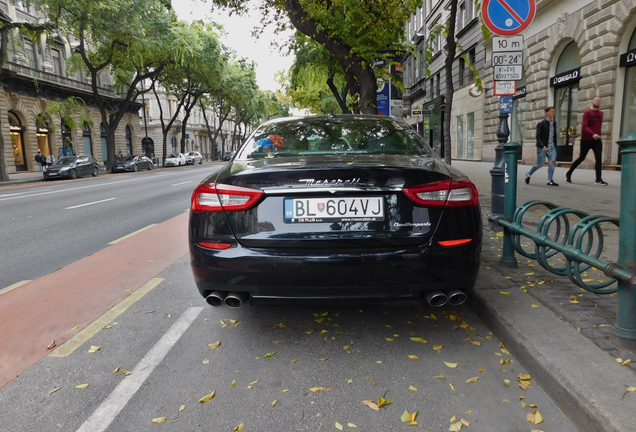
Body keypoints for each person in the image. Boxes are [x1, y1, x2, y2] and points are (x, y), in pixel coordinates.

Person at [566, 96, 608, 186]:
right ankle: (568, 173)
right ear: (592, 102)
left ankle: (598, 179)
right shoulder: (587, 113)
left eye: (599, 101)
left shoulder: (601, 113)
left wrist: (597, 135)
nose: (598, 102)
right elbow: (584, 126)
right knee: (582, 157)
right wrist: (593, 133)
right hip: (586, 139)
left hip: (597, 140)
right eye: (596, 100)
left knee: (599, 158)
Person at [526, 106, 558, 186]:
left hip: (551, 147)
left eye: (554, 111)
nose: (553, 113)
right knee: (540, 164)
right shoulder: (541, 124)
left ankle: (550, 180)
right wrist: (543, 145)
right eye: (551, 111)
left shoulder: (554, 123)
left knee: (552, 162)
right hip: (543, 148)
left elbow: (554, 136)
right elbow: (538, 136)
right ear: (546, 113)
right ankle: (529, 174)